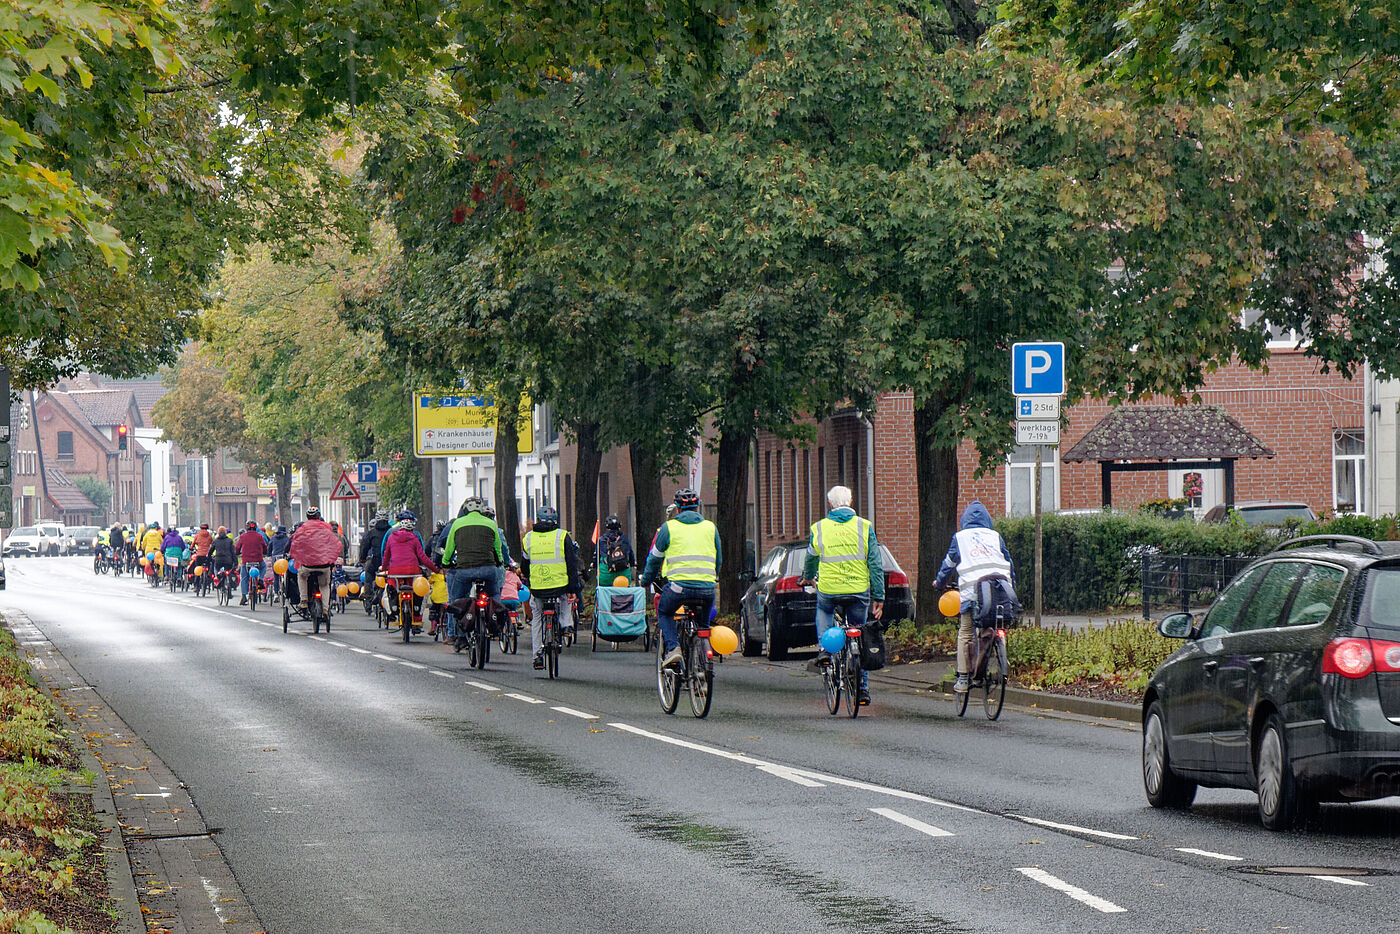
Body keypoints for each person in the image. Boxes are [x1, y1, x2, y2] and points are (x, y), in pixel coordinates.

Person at [801, 485, 884, 706]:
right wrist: (880, 597)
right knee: (860, 634)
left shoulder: (819, 528)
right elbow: (875, 564)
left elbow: (810, 559)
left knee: (823, 611)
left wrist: (808, 577)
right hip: (858, 591)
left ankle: (825, 650)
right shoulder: (864, 527)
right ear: (851, 501)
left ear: (830, 504)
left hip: (829, 591)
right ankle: (863, 689)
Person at [933, 500, 1016, 695]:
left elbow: (948, 564)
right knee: (995, 625)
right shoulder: (995, 536)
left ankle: (962, 677)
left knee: (966, 631)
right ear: (987, 521)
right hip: (1000, 590)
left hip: (972, 593)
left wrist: (939, 582)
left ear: (965, 520)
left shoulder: (960, 537)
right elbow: (1008, 562)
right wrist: (1012, 589)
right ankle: (1001, 650)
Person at [638, 489, 720, 671]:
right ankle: (702, 664)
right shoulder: (710, 527)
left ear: (677, 508)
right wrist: (713, 578)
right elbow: (718, 559)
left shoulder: (669, 528)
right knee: (703, 627)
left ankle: (673, 649)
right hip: (707, 589)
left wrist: (646, 580)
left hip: (678, 589)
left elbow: (654, 559)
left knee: (665, 612)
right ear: (697, 506)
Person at [520, 506, 580, 671]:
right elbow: (571, 564)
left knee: (537, 617)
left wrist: (526, 575)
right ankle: (566, 624)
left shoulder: (529, 538)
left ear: (537, 520)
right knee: (566, 598)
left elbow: (525, 565)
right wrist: (573, 588)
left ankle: (537, 654)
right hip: (559, 586)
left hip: (538, 588)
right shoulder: (562, 536)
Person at [442, 499, 507, 639]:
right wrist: (499, 562)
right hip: (488, 569)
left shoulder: (457, 524)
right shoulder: (491, 524)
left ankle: (460, 637)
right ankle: (495, 624)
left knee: (457, 599)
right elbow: (498, 548)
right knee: (494, 594)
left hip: (464, 570)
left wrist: (446, 563)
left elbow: (449, 549)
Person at [380, 510, 437, 623]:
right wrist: (435, 569)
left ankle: (392, 611)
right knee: (418, 590)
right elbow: (423, 557)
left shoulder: (391, 537)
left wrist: (385, 568)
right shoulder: (414, 538)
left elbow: (386, 555)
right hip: (413, 570)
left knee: (390, 588)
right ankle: (417, 611)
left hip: (395, 571)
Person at [288, 506, 343, 616]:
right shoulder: (327, 529)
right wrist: (331, 559)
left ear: (307, 517)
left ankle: (303, 600)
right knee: (324, 585)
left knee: (301, 576)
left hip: (307, 565)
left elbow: (295, 545)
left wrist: (297, 557)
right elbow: (337, 545)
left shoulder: (302, 530)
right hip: (324, 565)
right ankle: (326, 609)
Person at [358, 511, 392, 595]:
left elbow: (364, 547)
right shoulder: (392, 532)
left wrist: (362, 559)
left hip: (375, 561)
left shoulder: (372, 533)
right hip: (390, 562)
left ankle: (369, 597)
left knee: (368, 574)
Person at [235, 520, 268, 605]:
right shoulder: (259, 536)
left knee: (244, 577)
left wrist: (237, 553)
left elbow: (238, 547)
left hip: (246, 561)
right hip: (258, 559)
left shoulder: (243, 536)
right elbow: (265, 546)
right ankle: (260, 579)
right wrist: (265, 552)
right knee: (263, 567)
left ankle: (244, 596)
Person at [597, 515, 635, 584]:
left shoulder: (602, 540)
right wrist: (632, 564)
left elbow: (597, 556)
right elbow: (631, 555)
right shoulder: (624, 539)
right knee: (624, 593)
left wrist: (593, 564)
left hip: (606, 574)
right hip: (623, 575)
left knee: (603, 591)